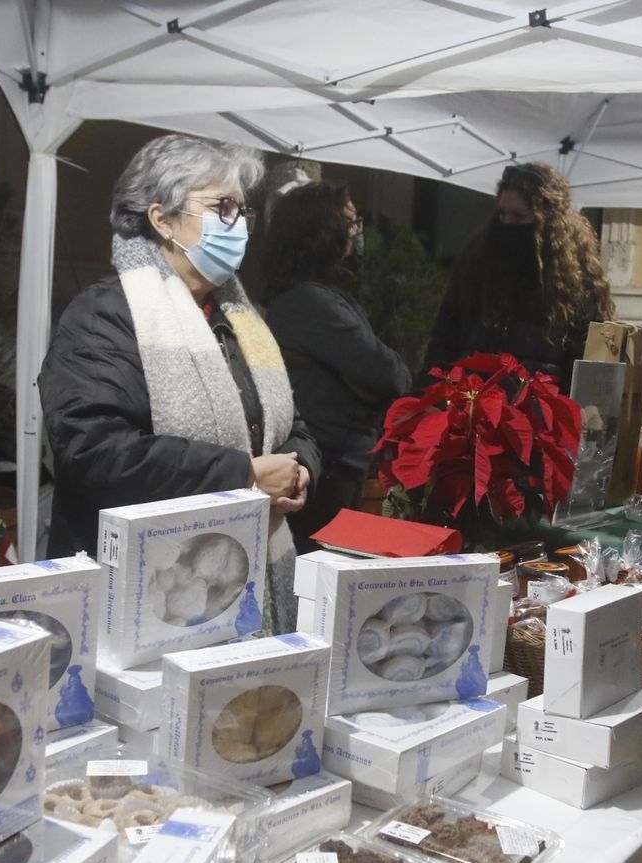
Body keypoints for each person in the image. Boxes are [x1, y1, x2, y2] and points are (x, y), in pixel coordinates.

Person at [39, 134, 320, 634]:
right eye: (222, 207)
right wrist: (244, 476)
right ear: (162, 219)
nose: (238, 226)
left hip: (240, 579)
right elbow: (94, 450)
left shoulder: (239, 317)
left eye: (242, 211)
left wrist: (299, 473)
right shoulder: (104, 315)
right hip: (134, 598)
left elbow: (289, 425)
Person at [261, 180, 411, 553]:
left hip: (333, 463)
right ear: (321, 232)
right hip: (327, 468)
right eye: (348, 221)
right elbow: (389, 373)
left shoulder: (314, 296)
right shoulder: (311, 303)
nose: (356, 230)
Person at [424, 162, 615, 390]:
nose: (507, 223)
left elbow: (585, 366)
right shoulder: (478, 261)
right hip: (472, 408)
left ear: (548, 222)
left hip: (538, 416)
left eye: (519, 216)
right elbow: (445, 342)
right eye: (502, 214)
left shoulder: (577, 282)